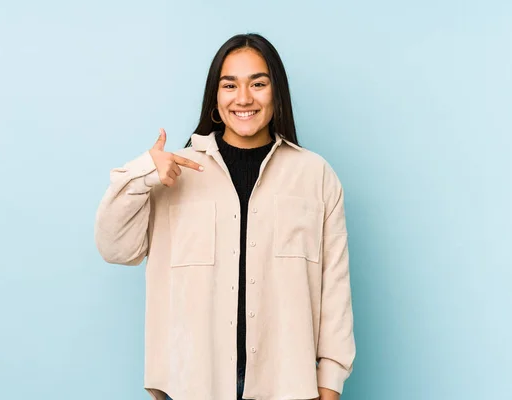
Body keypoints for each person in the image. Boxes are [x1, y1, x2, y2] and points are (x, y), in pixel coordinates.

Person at [94, 33, 355, 400]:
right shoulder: (174, 174)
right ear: (216, 99)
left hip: (288, 386)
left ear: (276, 94)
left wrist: (329, 386)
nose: (244, 98)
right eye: (229, 84)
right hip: (192, 385)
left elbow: (336, 293)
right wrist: (143, 173)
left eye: (258, 84)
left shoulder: (315, 176)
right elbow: (116, 248)